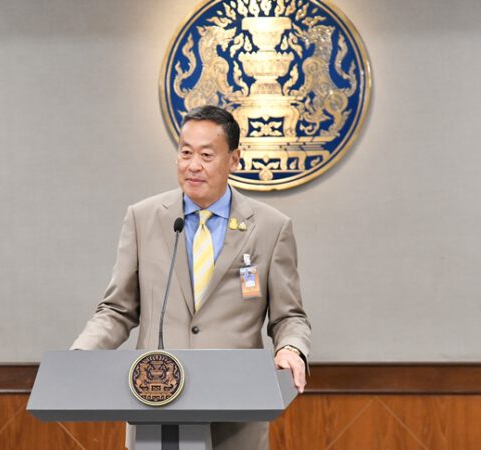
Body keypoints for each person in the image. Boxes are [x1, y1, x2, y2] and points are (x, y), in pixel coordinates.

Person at [71, 105, 311, 450]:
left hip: (236, 411)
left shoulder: (271, 227)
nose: (193, 165)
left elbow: (289, 316)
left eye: (206, 155)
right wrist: (82, 353)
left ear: (234, 159)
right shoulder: (144, 218)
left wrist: (291, 348)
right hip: (156, 403)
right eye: (185, 153)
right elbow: (117, 310)